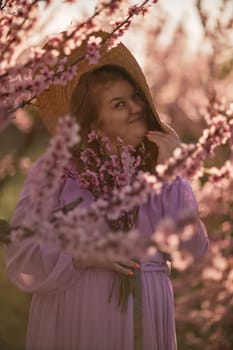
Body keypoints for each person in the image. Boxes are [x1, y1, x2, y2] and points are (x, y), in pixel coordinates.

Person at [4, 31, 209, 350]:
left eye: (135, 96)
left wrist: (173, 173)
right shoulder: (55, 170)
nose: (136, 108)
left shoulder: (155, 172)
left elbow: (192, 249)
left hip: (147, 317)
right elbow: (22, 254)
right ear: (95, 124)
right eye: (119, 104)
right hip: (78, 315)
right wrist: (82, 257)